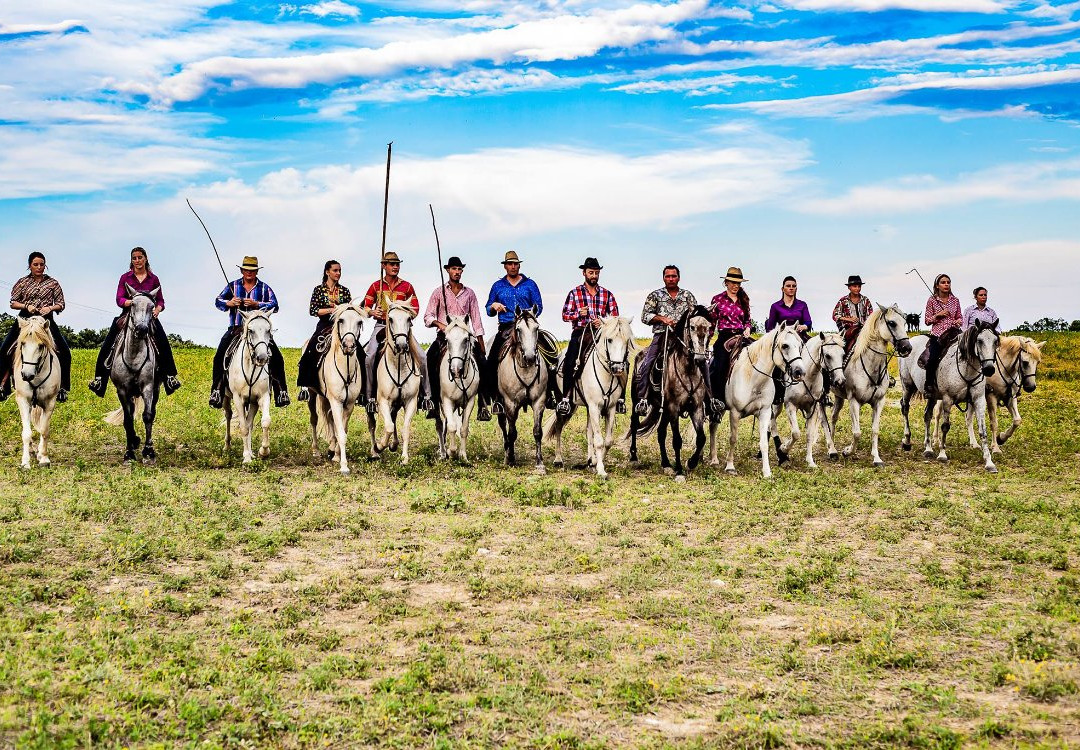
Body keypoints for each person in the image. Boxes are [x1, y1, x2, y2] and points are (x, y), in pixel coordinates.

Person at [88, 247, 182, 397]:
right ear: (131, 261)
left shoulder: (153, 278)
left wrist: (157, 309)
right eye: (134, 258)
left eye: (140, 257)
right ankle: (99, 379)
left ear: (145, 258)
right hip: (128, 315)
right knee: (108, 342)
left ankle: (170, 376)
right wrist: (131, 302)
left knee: (163, 341)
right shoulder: (125, 278)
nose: (137, 261)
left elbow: (161, 300)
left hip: (148, 317)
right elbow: (119, 299)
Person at [208, 256, 290, 409]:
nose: (249, 273)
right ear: (241, 270)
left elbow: (275, 305)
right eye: (246, 270)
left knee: (277, 357)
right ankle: (217, 391)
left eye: (252, 270)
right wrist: (229, 303)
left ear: (256, 272)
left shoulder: (264, 288)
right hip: (236, 328)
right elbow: (218, 300)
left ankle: (281, 392)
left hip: (259, 331)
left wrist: (256, 304)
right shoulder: (232, 286)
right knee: (219, 356)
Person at [483, 250, 556, 412]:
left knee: (551, 355)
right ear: (505, 266)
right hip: (506, 326)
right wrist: (494, 306)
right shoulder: (498, 286)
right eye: (510, 264)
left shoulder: (530, 284)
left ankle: (550, 394)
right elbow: (488, 308)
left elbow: (539, 306)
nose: (513, 266)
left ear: (519, 265)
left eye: (516, 264)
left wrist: (529, 313)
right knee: (492, 358)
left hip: (528, 325)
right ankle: (495, 397)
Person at [360, 252, 432, 414]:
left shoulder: (407, 286)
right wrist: (373, 312)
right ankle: (370, 397)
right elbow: (365, 306)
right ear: (383, 266)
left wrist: (403, 313)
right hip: (381, 326)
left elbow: (415, 309)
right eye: (391, 264)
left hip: (402, 328)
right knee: (369, 357)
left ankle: (427, 396)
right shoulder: (375, 286)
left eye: (397, 264)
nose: (395, 267)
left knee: (422, 356)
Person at [424, 255, 490, 421]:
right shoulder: (439, 292)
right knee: (429, 359)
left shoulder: (469, 293)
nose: (457, 272)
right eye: (454, 269)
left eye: (460, 269)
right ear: (448, 270)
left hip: (465, 337)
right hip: (444, 336)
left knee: (482, 362)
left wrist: (481, 342)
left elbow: (476, 319)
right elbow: (427, 316)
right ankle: (431, 401)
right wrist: (441, 325)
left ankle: (482, 403)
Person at [0, 252, 72, 402]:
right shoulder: (22, 282)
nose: (39, 267)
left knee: (65, 351)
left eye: (42, 264)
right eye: (36, 264)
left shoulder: (53, 283)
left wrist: (50, 308)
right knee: (4, 349)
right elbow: (13, 302)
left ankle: (63, 388)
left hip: (45, 321)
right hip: (25, 319)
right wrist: (27, 305)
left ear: (45, 265)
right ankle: (3, 386)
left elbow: (61, 304)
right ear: (30, 266)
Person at [556, 257, 621, 416]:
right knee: (570, 359)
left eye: (596, 273)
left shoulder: (607, 294)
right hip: (581, 332)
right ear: (584, 273)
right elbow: (565, 315)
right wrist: (579, 313)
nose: (594, 276)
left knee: (620, 357)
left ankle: (620, 399)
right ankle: (566, 397)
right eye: (591, 272)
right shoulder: (575, 293)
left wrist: (604, 322)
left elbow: (615, 316)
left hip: (602, 334)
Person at [634, 265, 698, 415]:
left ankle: (709, 398)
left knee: (702, 361)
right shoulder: (655, 296)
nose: (671, 279)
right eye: (668, 276)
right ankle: (643, 398)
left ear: (679, 277)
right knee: (648, 361)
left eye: (673, 276)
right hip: (662, 335)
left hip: (684, 338)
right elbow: (645, 316)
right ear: (663, 278)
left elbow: (696, 315)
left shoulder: (687, 296)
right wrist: (662, 319)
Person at [296, 260, 352, 402]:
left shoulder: (344, 291)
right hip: (325, 324)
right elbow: (313, 310)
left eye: (339, 270)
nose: (338, 273)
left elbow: (349, 309)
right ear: (327, 272)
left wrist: (341, 310)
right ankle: (305, 386)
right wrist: (331, 310)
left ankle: (362, 391)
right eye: (335, 270)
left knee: (360, 353)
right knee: (310, 350)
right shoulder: (318, 290)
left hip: (342, 326)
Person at [708, 266, 752, 415]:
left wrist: (747, 328)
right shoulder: (717, 299)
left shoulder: (744, 299)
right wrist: (706, 341)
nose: (735, 286)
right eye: (732, 282)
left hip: (742, 336)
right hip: (725, 337)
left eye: (738, 283)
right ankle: (717, 400)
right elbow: (711, 323)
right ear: (726, 282)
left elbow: (747, 320)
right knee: (719, 365)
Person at [923, 273, 963, 399]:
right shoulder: (932, 300)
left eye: (948, 282)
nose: (946, 284)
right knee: (932, 358)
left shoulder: (955, 300)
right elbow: (927, 320)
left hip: (954, 333)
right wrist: (938, 315)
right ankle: (928, 385)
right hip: (938, 336)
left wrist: (958, 321)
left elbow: (960, 317)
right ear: (937, 286)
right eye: (943, 282)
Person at [832, 274, 873, 354]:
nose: (857, 288)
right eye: (855, 286)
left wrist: (866, 323)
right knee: (841, 349)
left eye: (859, 286)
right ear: (849, 287)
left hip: (863, 329)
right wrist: (848, 319)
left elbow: (870, 315)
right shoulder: (843, 301)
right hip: (848, 330)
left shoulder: (865, 300)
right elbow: (835, 315)